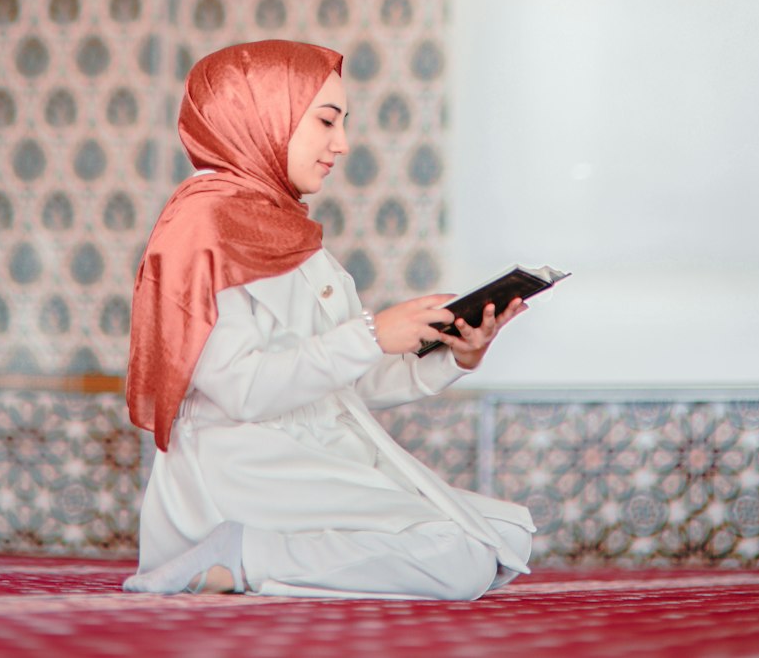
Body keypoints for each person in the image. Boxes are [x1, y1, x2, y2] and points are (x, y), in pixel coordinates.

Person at [123, 39, 534, 599]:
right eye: (325, 121)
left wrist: (453, 356)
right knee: (462, 556)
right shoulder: (204, 226)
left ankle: (250, 557)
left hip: (305, 457)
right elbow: (241, 390)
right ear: (264, 114)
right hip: (242, 469)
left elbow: (345, 381)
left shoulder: (288, 229)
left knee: (508, 533)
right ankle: (240, 553)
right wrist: (369, 335)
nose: (341, 144)